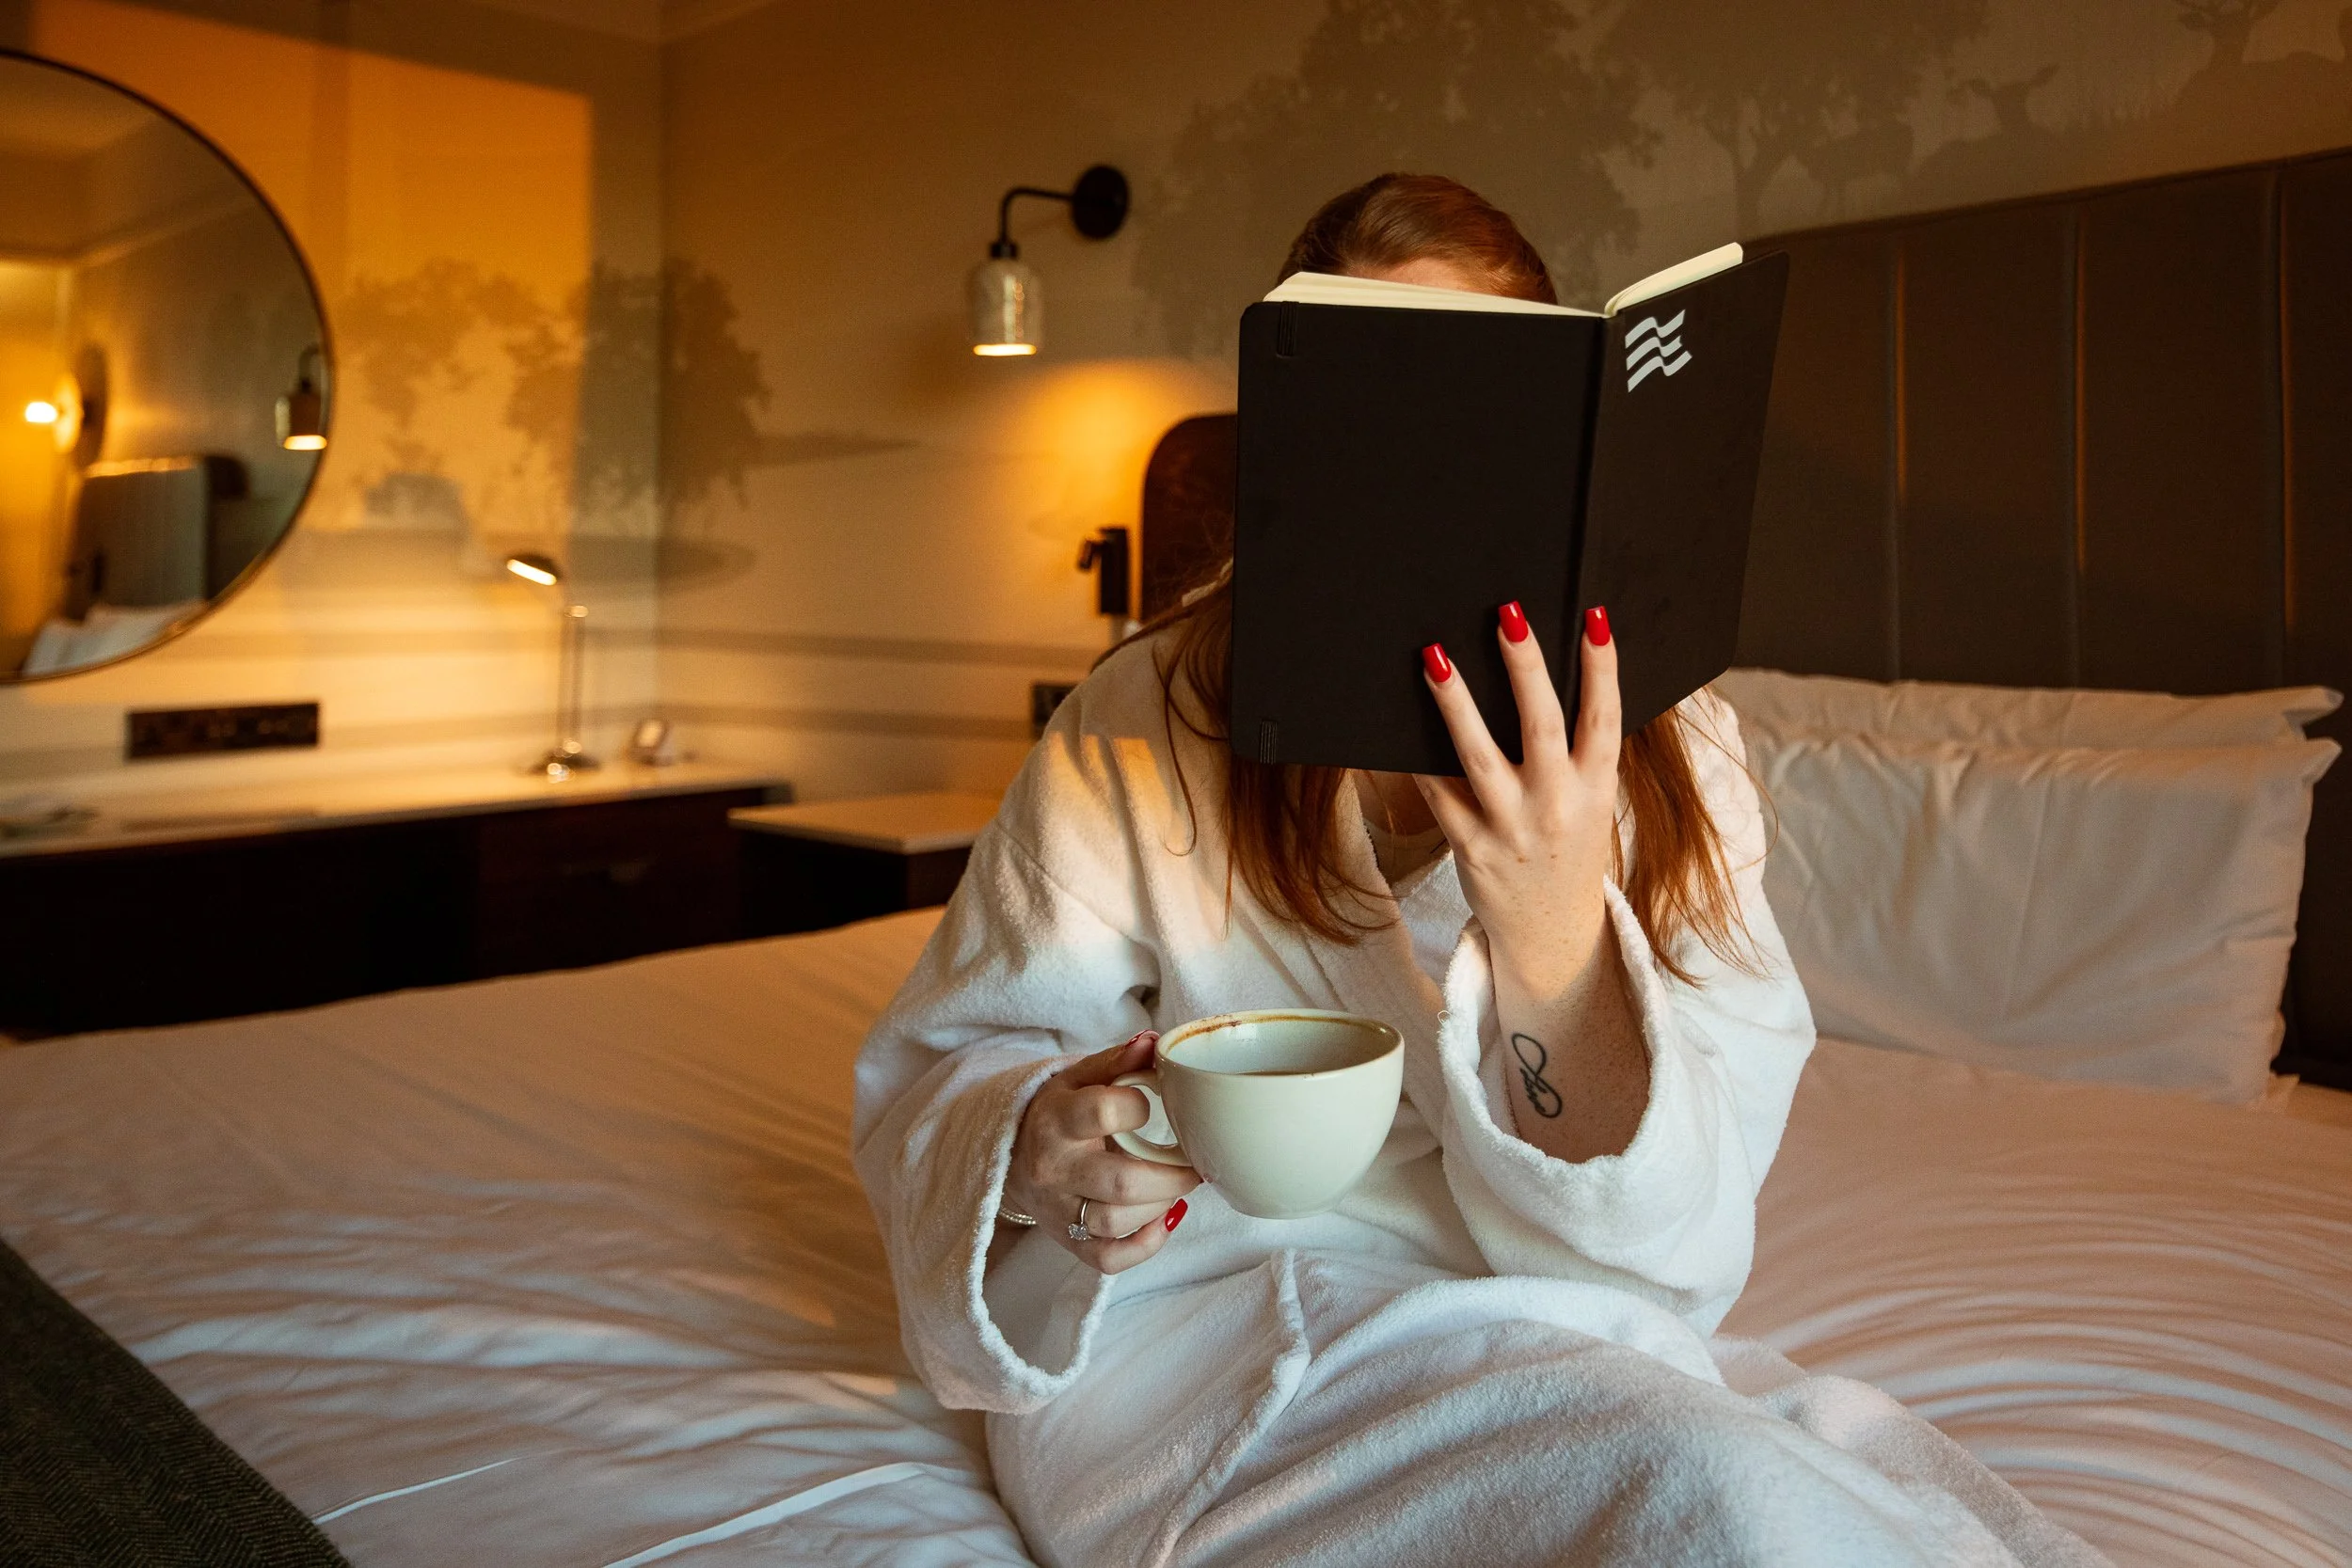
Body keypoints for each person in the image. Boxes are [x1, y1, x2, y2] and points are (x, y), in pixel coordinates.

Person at [854, 175, 2105, 1568]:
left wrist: (1556, 925)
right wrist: (1034, 1146)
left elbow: (1690, 1244)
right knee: (1717, 1495)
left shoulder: (1673, 743)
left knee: (1766, 1494)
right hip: (1191, 1328)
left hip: (1546, 1318)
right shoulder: (1148, 713)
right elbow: (962, 1058)